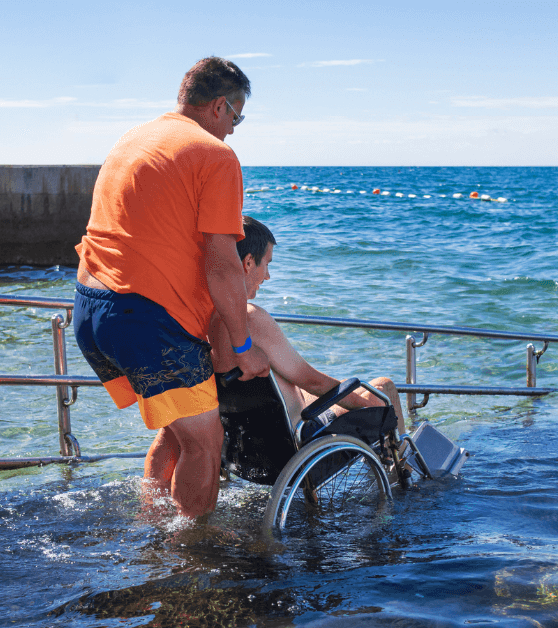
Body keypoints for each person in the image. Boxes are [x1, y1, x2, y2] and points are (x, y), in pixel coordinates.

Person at [73, 57, 270, 520]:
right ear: (220, 106)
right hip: (146, 319)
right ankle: (189, 558)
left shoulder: (135, 138)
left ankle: (154, 524)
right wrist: (242, 346)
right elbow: (224, 266)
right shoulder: (214, 154)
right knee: (205, 441)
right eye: (237, 117)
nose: (235, 129)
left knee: (176, 428)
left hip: (90, 308)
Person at [210, 216, 408, 436]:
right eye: (267, 264)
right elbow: (312, 382)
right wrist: (369, 407)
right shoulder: (251, 319)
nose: (267, 276)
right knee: (383, 388)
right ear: (248, 263)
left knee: (343, 386)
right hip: (302, 435)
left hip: (253, 438)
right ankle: (402, 468)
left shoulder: (208, 321)